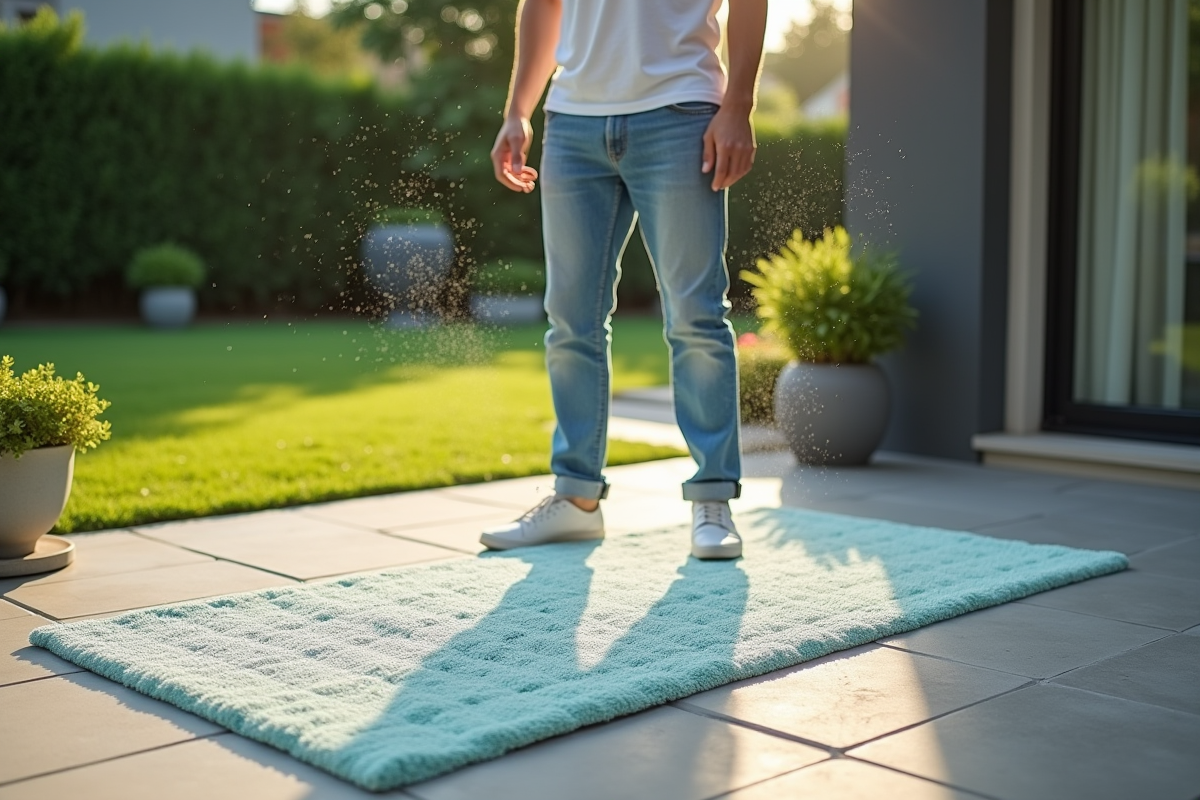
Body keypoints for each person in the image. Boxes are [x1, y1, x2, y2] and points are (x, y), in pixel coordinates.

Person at [480, 0, 768, 559]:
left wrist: (739, 104)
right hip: (572, 121)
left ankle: (713, 500)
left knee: (695, 316)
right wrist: (517, 109)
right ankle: (576, 499)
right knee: (570, 322)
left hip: (682, 112)